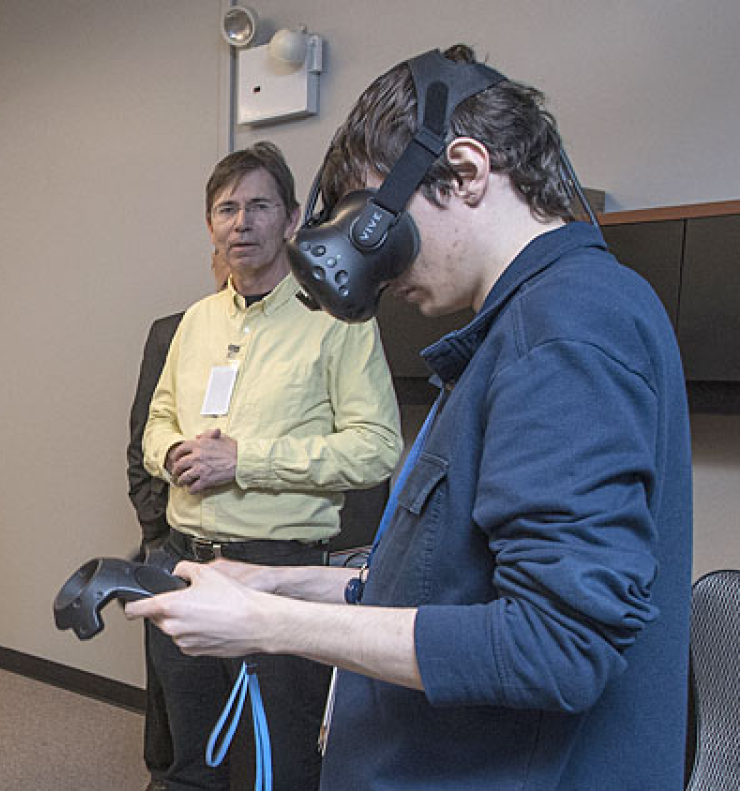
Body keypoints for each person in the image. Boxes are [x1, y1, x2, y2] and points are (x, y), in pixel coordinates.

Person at [128, 45, 692, 790]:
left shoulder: (566, 327)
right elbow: (455, 584)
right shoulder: (523, 326)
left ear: (464, 171)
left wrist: (273, 626)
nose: (381, 273)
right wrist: (273, 583)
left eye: (376, 225)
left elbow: (555, 644)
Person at [140, 142, 401, 790]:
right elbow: (157, 421)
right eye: (226, 208)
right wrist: (171, 452)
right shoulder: (194, 323)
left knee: (274, 764)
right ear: (210, 225)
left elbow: (376, 446)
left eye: (259, 205)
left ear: (290, 220)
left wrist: (247, 461)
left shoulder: (338, 319)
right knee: (190, 763)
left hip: (278, 572)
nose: (241, 222)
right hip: (183, 563)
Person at [126, 248, 230, 791]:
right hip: (175, 542)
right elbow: (143, 439)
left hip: (250, 550)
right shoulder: (175, 331)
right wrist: (154, 538)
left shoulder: (304, 330)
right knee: (173, 692)